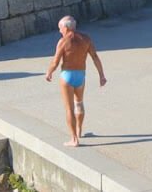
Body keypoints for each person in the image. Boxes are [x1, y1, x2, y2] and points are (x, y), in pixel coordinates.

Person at [44, 16, 106, 147]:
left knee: (69, 108)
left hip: (67, 76)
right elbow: (95, 57)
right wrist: (101, 75)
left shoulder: (63, 41)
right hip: (81, 75)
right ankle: (79, 131)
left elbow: (55, 62)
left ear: (66, 28)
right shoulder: (86, 39)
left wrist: (49, 72)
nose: (59, 30)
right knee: (79, 103)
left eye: (60, 28)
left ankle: (74, 139)